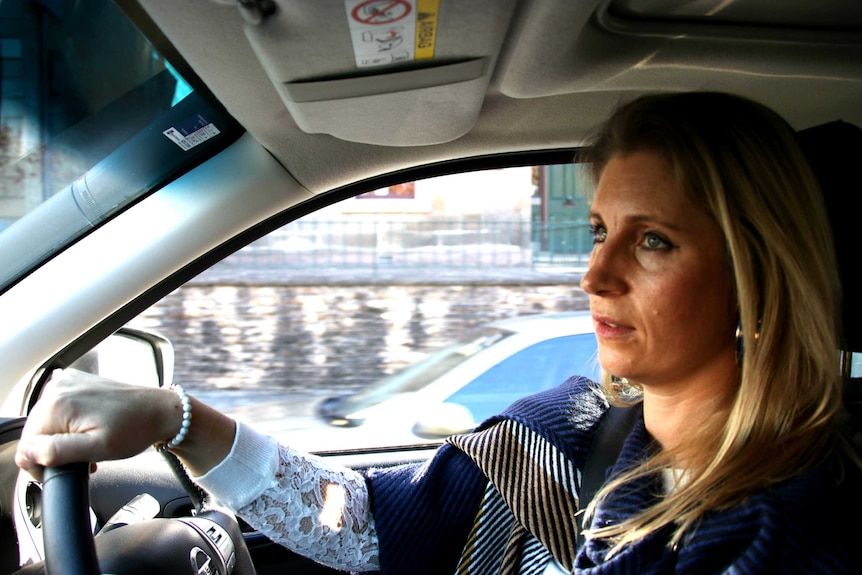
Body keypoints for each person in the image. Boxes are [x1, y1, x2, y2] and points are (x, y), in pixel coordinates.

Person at [15, 92, 861, 574]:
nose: (594, 276)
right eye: (600, 231)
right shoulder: (563, 427)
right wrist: (175, 417)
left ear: (756, 272)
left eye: (653, 241)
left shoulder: (781, 527)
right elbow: (365, 519)